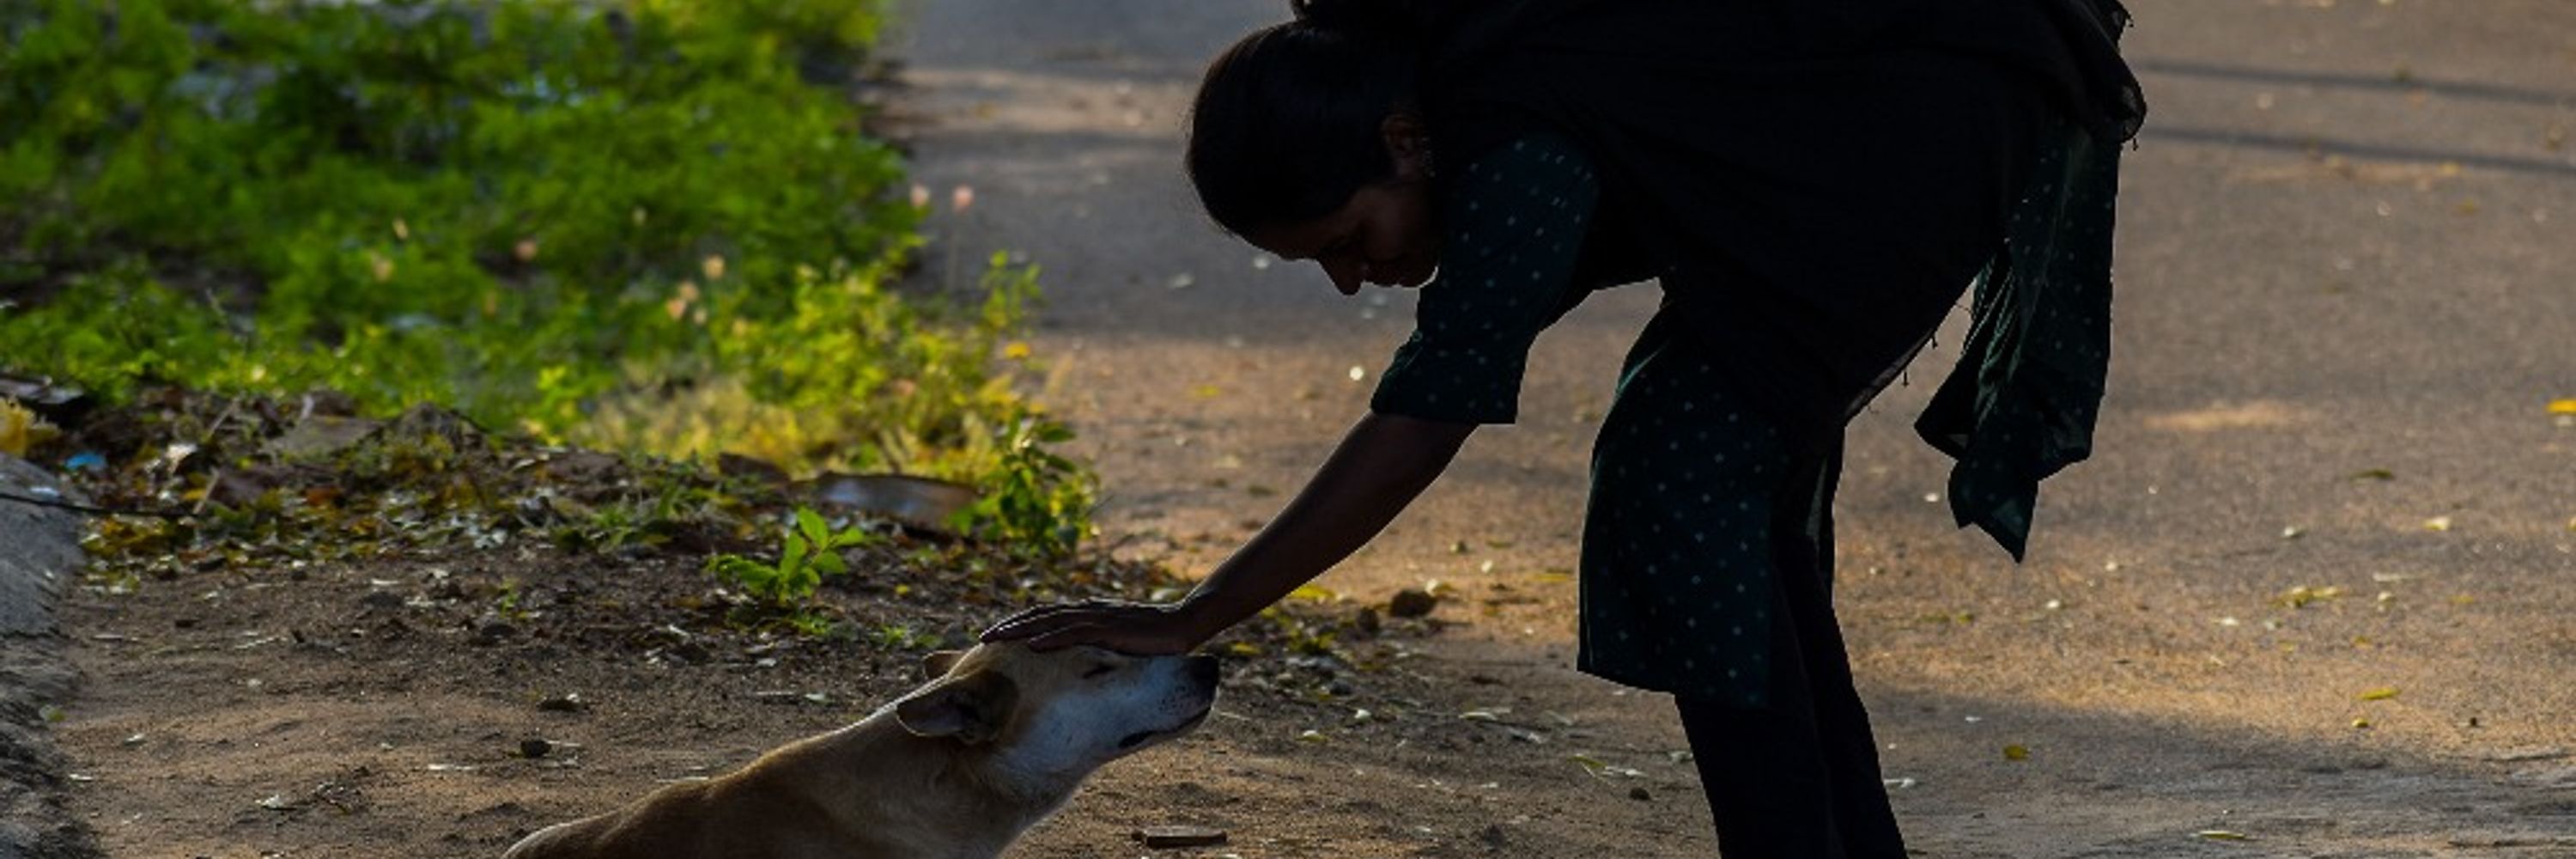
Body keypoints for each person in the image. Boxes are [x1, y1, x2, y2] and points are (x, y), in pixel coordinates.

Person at [983, 0, 2145, 854]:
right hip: (1901, 108)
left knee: (1683, 470)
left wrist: (1200, 611)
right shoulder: (1475, 103)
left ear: (1401, 141)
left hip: (1924, 117)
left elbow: (1434, 403)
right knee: (1710, 479)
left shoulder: (1513, 138)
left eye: (1350, 236)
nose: (1353, 277)